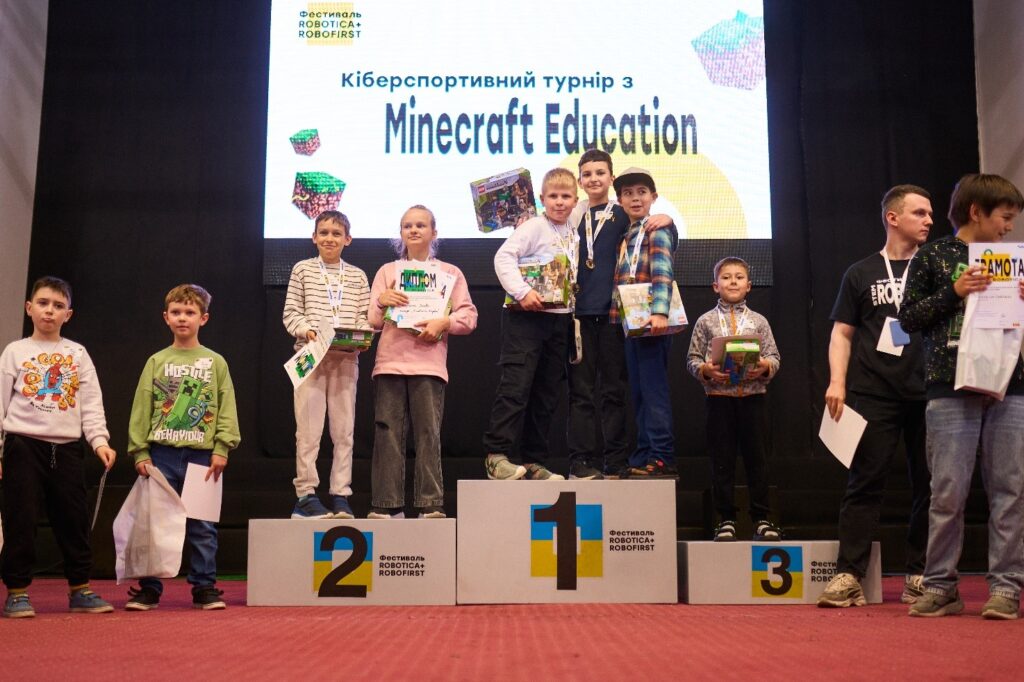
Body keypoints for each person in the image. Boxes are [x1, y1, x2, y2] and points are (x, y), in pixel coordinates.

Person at [900, 173, 1024, 619]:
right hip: (949, 385)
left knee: (1010, 489)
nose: (1009, 227)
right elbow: (908, 319)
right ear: (976, 212)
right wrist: (955, 291)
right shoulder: (934, 255)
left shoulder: (1014, 260)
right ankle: (940, 585)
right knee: (948, 491)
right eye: (1004, 217)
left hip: (1011, 384)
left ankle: (1006, 587)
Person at [817, 185, 933, 608]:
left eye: (930, 213)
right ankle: (849, 574)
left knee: (931, 486)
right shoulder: (861, 272)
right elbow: (842, 332)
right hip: (873, 391)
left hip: (930, 392)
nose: (929, 220)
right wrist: (837, 382)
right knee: (864, 484)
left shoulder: (937, 267)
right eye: (919, 213)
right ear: (893, 217)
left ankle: (921, 574)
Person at [0, 276, 116, 618]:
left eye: (58, 305)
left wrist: (99, 440)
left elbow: (91, 402)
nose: (49, 311)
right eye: (43, 303)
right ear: (29, 308)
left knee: (73, 519)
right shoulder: (15, 351)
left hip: (66, 449)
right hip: (23, 446)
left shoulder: (76, 353)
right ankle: (17, 592)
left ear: (69, 314)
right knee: (20, 519)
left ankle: (80, 588)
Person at [124, 284, 240, 611]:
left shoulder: (215, 362)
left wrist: (222, 447)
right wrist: (140, 451)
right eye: (176, 312)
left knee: (202, 527)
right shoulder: (156, 361)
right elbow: (142, 407)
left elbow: (226, 405)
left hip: (202, 456)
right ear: (166, 317)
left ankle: (204, 587)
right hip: (161, 455)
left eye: (190, 312)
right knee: (156, 525)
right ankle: (150, 588)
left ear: (204, 318)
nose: (182, 318)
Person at [567, 150, 674, 479]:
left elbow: (659, 240)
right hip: (578, 317)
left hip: (618, 317)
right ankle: (582, 461)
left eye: (600, 172)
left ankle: (617, 460)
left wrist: (668, 220)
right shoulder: (572, 214)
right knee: (582, 394)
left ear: (610, 178)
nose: (594, 179)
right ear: (580, 180)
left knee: (617, 391)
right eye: (587, 174)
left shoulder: (623, 214)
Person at [367, 205, 477, 518]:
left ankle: (430, 503)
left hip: (429, 365)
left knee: (429, 434)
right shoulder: (387, 271)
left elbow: (469, 316)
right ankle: (386, 505)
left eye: (420, 225)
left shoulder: (450, 273)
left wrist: (444, 323)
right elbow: (373, 321)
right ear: (400, 233)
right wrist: (381, 301)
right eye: (407, 226)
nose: (414, 230)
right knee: (387, 433)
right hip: (390, 363)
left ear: (434, 232)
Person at [483, 167, 578, 481]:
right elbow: (503, 257)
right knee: (516, 387)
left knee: (546, 394)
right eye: (553, 196)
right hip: (526, 318)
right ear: (542, 199)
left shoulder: (574, 229)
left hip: (560, 319)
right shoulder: (535, 226)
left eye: (566, 196)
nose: (560, 202)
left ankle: (534, 460)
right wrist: (522, 292)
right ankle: (497, 456)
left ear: (575, 200)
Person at [686, 257, 782, 541]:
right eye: (726, 277)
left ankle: (762, 519)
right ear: (715, 286)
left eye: (739, 277)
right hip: (719, 399)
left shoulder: (759, 321)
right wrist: (705, 370)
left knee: (758, 460)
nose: (733, 282)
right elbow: (692, 359)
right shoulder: (705, 321)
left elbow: (774, 356)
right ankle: (725, 519)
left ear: (749, 285)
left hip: (754, 399)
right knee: (722, 461)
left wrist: (765, 366)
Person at [284, 210, 370, 518]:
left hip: (345, 359)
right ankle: (306, 495)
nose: (329, 238)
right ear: (314, 237)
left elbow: (363, 317)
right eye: (323, 232)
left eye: (336, 233)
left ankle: (341, 494)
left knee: (343, 431)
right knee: (308, 431)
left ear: (348, 239)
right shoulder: (302, 270)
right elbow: (291, 313)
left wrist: (362, 336)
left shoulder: (358, 275)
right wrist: (307, 331)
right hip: (311, 357)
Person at [609, 167, 679, 478]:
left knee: (653, 392)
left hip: (653, 322)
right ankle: (643, 454)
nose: (635, 198)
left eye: (641, 192)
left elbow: (663, 271)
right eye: (628, 193)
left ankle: (662, 456)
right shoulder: (626, 234)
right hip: (632, 323)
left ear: (654, 196)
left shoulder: (657, 228)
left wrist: (660, 312)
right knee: (638, 392)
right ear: (619, 200)